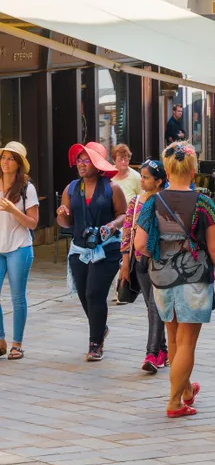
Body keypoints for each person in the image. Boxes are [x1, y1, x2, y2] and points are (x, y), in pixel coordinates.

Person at [133, 142, 215, 417]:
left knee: (173, 338)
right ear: (193, 169)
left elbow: (139, 243)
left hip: (161, 277)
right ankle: (174, 402)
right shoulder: (203, 203)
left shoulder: (153, 201)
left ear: (167, 169)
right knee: (187, 342)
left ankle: (186, 390)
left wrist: (162, 253)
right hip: (194, 277)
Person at [57, 141, 127, 361]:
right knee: (84, 295)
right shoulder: (71, 189)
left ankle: (95, 344)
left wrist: (112, 225)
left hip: (106, 249)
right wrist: (62, 213)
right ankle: (100, 328)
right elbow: (66, 223)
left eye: (87, 160)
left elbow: (124, 215)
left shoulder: (111, 188)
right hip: (79, 249)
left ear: (98, 165)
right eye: (79, 159)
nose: (82, 164)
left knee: (94, 293)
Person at [119, 159, 168, 373]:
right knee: (152, 307)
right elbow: (127, 231)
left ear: (159, 181)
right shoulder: (136, 202)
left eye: (146, 177)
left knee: (155, 306)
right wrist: (125, 262)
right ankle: (163, 350)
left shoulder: (166, 201)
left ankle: (151, 354)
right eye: (142, 176)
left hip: (159, 261)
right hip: (140, 261)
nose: (142, 180)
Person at [0, 141, 38, 361]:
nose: (6, 162)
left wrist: (13, 210)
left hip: (19, 248)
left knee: (17, 298)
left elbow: (33, 223)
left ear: (19, 164)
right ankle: (1, 339)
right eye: (4, 157)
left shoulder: (26, 187)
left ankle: (17, 344)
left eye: (11, 158)